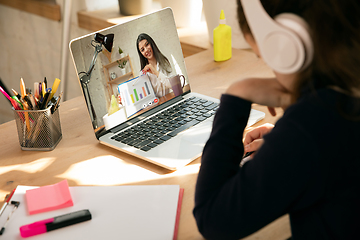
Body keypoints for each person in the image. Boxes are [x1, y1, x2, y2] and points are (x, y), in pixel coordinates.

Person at [193, 0, 360, 239]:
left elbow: (212, 219)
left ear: (288, 43)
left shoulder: (312, 126)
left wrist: (238, 94)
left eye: (265, 55)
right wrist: (284, 143)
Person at [136, 33, 172, 98]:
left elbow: (173, 85)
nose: (146, 50)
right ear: (141, 54)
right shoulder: (143, 73)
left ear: (151, 43)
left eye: (147, 45)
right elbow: (145, 97)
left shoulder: (164, 61)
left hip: (170, 99)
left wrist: (157, 73)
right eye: (142, 50)